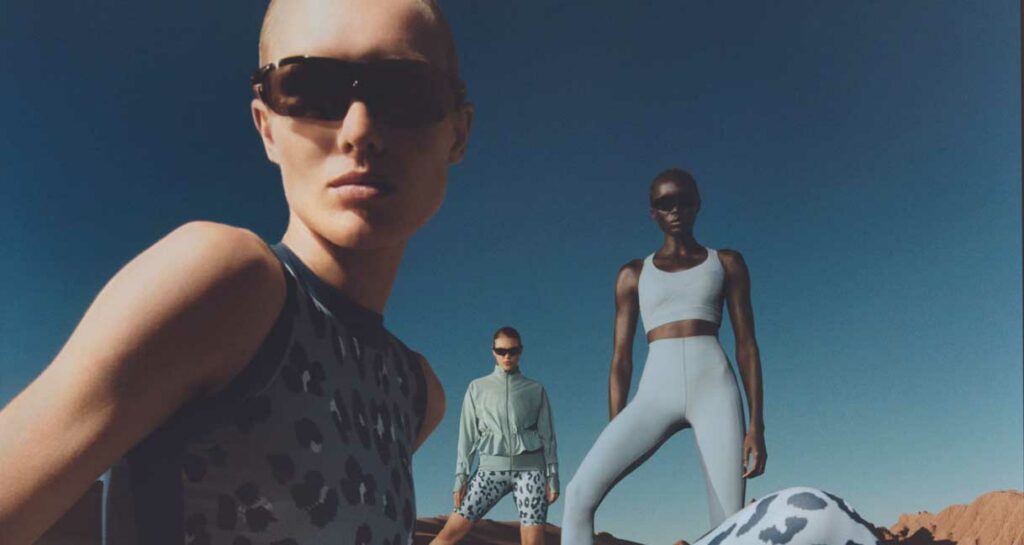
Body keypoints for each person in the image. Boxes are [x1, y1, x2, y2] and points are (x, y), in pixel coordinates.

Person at [0, 0, 473, 543]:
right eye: (311, 88)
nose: (359, 129)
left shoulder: (415, 394)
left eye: (405, 91)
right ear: (267, 127)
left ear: (457, 133)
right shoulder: (227, 283)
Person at [562, 168, 766, 544]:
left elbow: (747, 346)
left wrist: (757, 426)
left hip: (715, 390)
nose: (675, 210)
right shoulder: (632, 274)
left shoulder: (727, 263)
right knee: (577, 496)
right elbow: (620, 358)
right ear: (653, 213)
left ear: (697, 205)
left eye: (683, 201)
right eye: (664, 203)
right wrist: (615, 426)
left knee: (729, 525)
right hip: (655, 393)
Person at [431, 327, 559, 545]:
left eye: (513, 350)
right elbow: (467, 437)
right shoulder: (477, 388)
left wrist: (552, 476)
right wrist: (460, 477)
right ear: (493, 352)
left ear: (521, 351)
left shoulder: (535, 389)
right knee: (447, 536)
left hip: (531, 472)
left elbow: (548, 437)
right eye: (501, 351)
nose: (507, 356)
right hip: (490, 471)